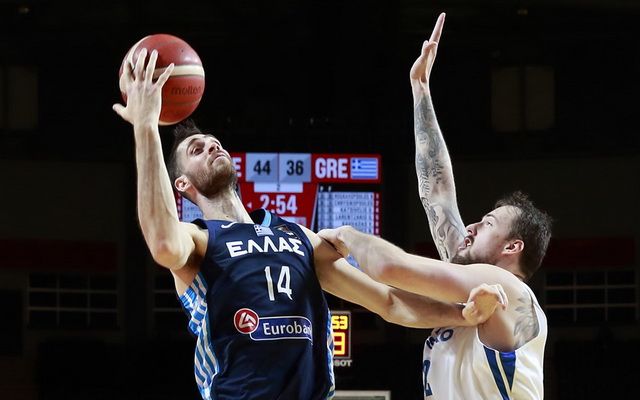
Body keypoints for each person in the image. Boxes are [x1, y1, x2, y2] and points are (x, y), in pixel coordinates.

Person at [113, 47, 507, 399]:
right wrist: (146, 127)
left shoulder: (296, 236)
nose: (211, 146)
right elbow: (162, 243)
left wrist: (462, 313)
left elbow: (388, 302)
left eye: (213, 142)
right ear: (182, 185)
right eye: (196, 150)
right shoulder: (198, 241)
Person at [319, 13, 553, 400]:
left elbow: (390, 269)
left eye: (487, 223)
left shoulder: (509, 291)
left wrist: (346, 235)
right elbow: (438, 195)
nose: (470, 227)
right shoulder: (466, 297)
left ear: (512, 247)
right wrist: (420, 88)